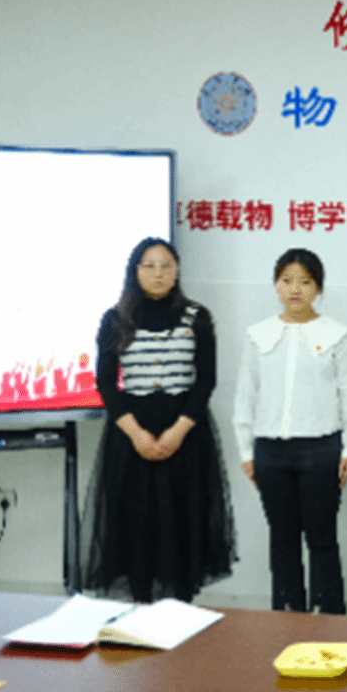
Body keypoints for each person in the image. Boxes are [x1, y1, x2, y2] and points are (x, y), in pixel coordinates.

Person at [81, 236, 235, 602]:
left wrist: (178, 431)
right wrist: (136, 434)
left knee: (183, 519)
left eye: (166, 265)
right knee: (137, 523)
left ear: (177, 271)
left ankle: (179, 609)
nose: (158, 273)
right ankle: (140, 607)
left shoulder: (197, 317)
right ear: (135, 271)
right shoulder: (116, 319)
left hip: (185, 433)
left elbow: (206, 380)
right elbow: (105, 382)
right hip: (132, 435)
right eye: (149, 266)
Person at [232, 248, 347, 614]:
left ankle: (329, 617)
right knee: (283, 539)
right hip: (270, 452)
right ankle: (288, 617)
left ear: (318, 287)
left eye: (305, 282)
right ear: (276, 285)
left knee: (322, 539)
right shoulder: (259, 335)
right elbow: (246, 395)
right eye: (287, 280)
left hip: (321, 450)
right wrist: (246, 451)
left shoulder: (336, 334)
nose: (295, 289)